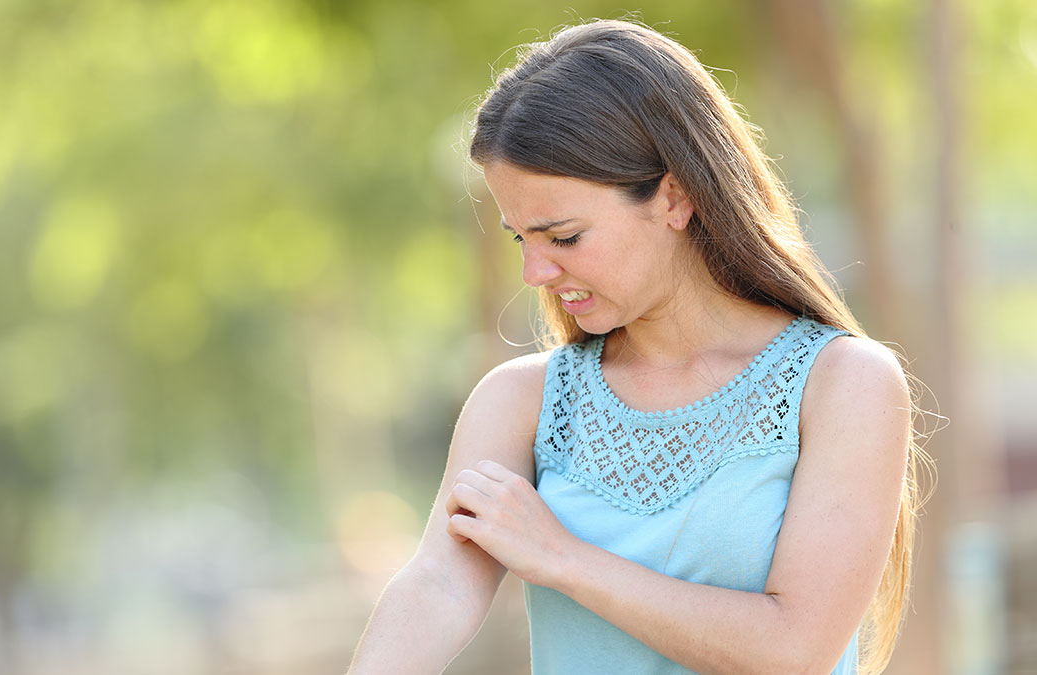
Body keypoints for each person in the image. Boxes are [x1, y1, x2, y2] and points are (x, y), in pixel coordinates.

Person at [346, 18, 929, 675]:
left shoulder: (843, 384)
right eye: (520, 239)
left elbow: (794, 649)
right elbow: (439, 583)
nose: (534, 273)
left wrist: (565, 557)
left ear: (674, 196)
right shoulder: (521, 401)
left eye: (563, 237)